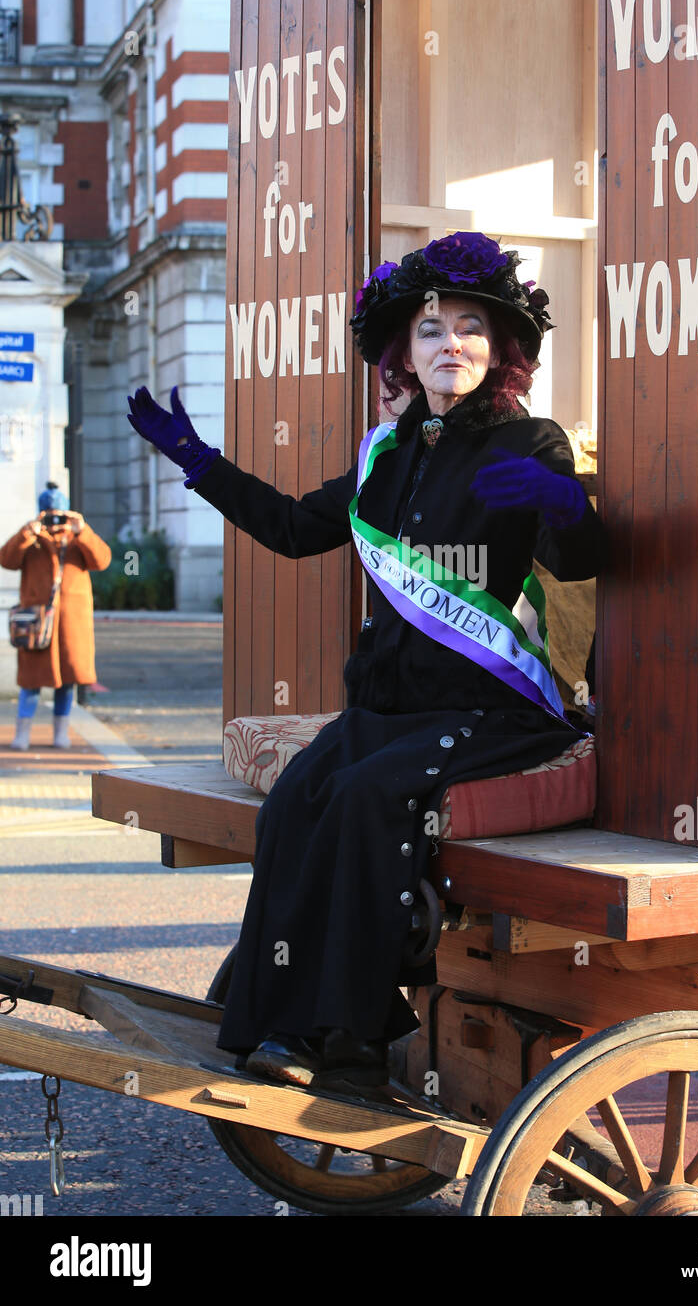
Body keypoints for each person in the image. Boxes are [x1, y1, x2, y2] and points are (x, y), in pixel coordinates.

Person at [126, 231, 607, 1096]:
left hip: (491, 711)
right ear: (404, 353)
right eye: (430, 331)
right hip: (386, 711)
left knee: (358, 799)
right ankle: (278, 1015)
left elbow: (578, 562)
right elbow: (295, 530)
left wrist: (564, 504)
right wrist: (199, 465)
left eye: (470, 327)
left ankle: (346, 1039)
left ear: (498, 349)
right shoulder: (383, 454)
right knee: (295, 803)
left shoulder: (531, 444)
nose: (449, 342)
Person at [1, 482, 112, 751]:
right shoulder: (33, 539)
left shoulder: (77, 538)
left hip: (71, 626)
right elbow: (6, 559)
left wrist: (82, 530)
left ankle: (61, 732)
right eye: (48, 514)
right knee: (31, 682)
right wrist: (27, 532)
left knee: (67, 681)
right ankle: (23, 733)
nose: (54, 521)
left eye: (59, 514)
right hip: (37, 623)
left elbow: (102, 560)